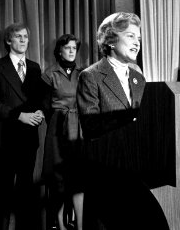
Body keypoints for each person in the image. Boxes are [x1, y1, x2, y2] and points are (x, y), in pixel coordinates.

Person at [76, 12, 169, 230]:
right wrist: (132, 121)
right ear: (109, 40)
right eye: (130, 36)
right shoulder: (91, 76)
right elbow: (91, 126)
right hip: (106, 174)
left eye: (139, 38)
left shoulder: (139, 78)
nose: (137, 42)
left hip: (138, 170)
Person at [0, 23, 44, 230]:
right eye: (18, 37)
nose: (22, 40)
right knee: (2, 193)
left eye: (25, 37)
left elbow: (39, 99)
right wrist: (20, 116)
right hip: (6, 140)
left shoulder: (35, 67)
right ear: (8, 41)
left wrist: (40, 111)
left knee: (26, 192)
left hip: (29, 139)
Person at [42, 34, 84, 230]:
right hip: (58, 128)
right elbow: (44, 106)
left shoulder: (84, 74)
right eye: (67, 48)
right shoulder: (49, 74)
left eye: (74, 48)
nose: (71, 51)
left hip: (79, 129)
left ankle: (81, 224)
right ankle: (59, 225)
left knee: (78, 179)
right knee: (58, 180)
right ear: (59, 50)